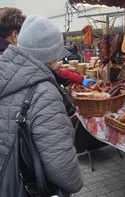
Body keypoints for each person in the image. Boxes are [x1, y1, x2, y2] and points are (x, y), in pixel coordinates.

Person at [0, 16, 84, 195]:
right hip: (24, 187)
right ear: (52, 53)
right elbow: (63, 170)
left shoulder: (5, 72)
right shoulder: (43, 92)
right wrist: (77, 182)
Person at [0, 7, 95, 88]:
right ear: (15, 36)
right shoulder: (13, 60)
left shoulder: (11, 59)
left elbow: (42, 70)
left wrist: (80, 80)